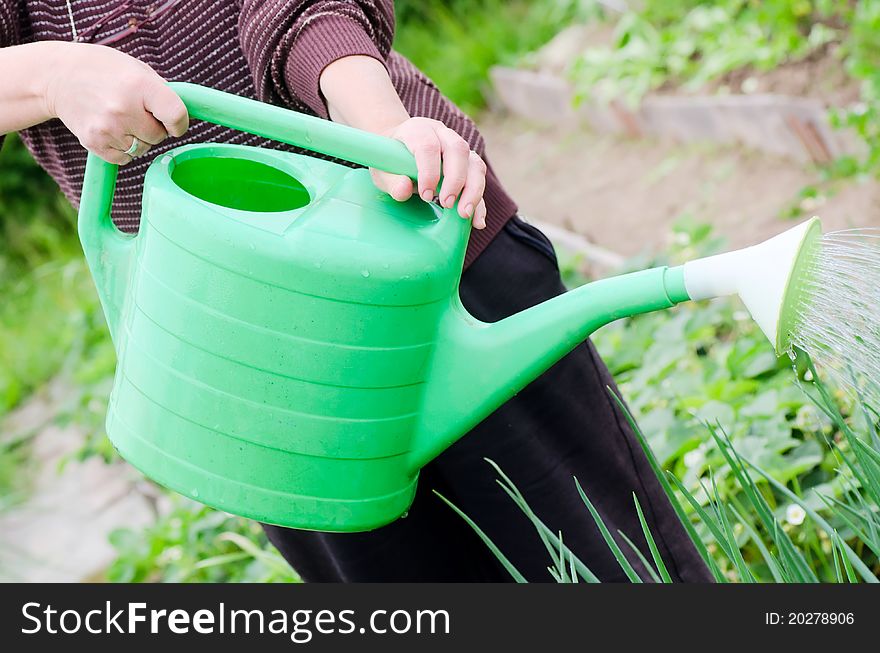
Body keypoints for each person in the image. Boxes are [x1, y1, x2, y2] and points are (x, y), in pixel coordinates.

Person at [0, 0, 711, 582]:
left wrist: (383, 128)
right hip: (248, 367)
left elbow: (303, 11)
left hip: (437, 276)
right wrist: (54, 72)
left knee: (617, 570)